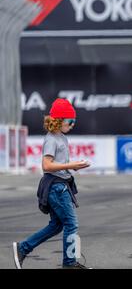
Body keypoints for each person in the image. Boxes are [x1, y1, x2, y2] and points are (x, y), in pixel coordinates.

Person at [12, 98, 91, 269]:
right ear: (59, 120)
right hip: (56, 187)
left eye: (74, 121)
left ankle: (23, 248)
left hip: (60, 183)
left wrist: (73, 168)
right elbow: (46, 165)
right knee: (71, 224)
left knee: (57, 225)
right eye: (71, 121)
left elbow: (57, 165)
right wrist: (72, 165)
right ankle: (69, 263)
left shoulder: (61, 137)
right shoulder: (51, 139)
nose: (73, 125)